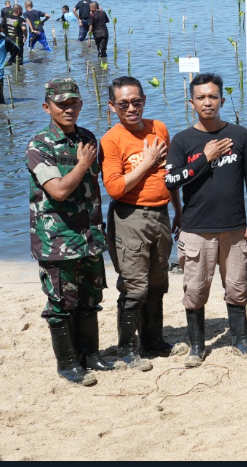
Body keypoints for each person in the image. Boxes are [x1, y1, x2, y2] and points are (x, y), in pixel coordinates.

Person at [164, 73, 247, 367]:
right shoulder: (183, 141)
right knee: (195, 291)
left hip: (234, 229)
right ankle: (197, 346)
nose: (208, 102)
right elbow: (171, 181)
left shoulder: (240, 135)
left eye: (213, 97)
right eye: (201, 98)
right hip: (196, 230)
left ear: (221, 99)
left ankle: (240, 340)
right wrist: (204, 158)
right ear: (191, 102)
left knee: (236, 288)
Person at [27, 78, 114, 386]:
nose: (68, 109)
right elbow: (60, 191)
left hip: (89, 236)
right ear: (47, 107)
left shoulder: (88, 138)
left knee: (90, 297)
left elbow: (100, 183)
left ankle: (91, 356)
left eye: (73, 103)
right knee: (61, 303)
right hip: (57, 240)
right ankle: (67, 363)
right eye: (61, 104)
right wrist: (81, 164)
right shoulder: (39, 146)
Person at [101, 76, 186, 370]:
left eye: (136, 101)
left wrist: (178, 208)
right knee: (135, 286)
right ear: (112, 107)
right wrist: (147, 162)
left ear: (144, 101)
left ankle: (154, 342)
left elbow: (170, 173)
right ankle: (127, 350)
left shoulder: (158, 128)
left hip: (161, 214)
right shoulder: (111, 140)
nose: (131, 108)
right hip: (129, 217)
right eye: (123, 104)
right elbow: (114, 188)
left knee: (158, 282)